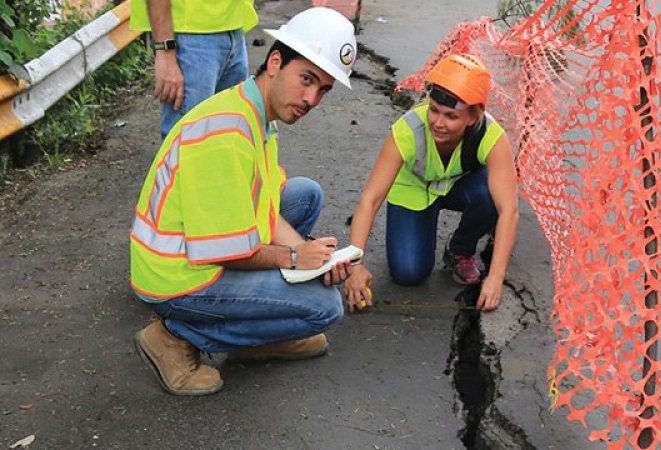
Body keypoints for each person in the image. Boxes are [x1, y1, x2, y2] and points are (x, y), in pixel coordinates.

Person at [130, 7, 358, 396]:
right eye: (307, 79)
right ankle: (173, 336)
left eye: (323, 89)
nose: (312, 99)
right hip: (176, 275)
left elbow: (266, 209)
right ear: (274, 63)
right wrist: (293, 260)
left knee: (303, 195)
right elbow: (226, 251)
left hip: (198, 245)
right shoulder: (227, 132)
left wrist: (309, 253)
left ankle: (261, 329)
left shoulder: (257, 112)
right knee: (324, 308)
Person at [344, 54, 519, 313]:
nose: (438, 122)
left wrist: (495, 278)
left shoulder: (491, 135)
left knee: (490, 194)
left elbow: (509, 211)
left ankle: (460, 249)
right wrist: (355, 265)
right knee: (408, 273)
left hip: (460, 187)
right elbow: (370, 199)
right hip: (414, 191)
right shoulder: (407, 130)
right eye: (434, 110)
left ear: (473, 116)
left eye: (451, 116)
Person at [130, 0, 258, 139]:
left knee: (226, 139)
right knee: (185, 144)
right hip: (190, 35)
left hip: (233, 27)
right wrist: (165, 50)